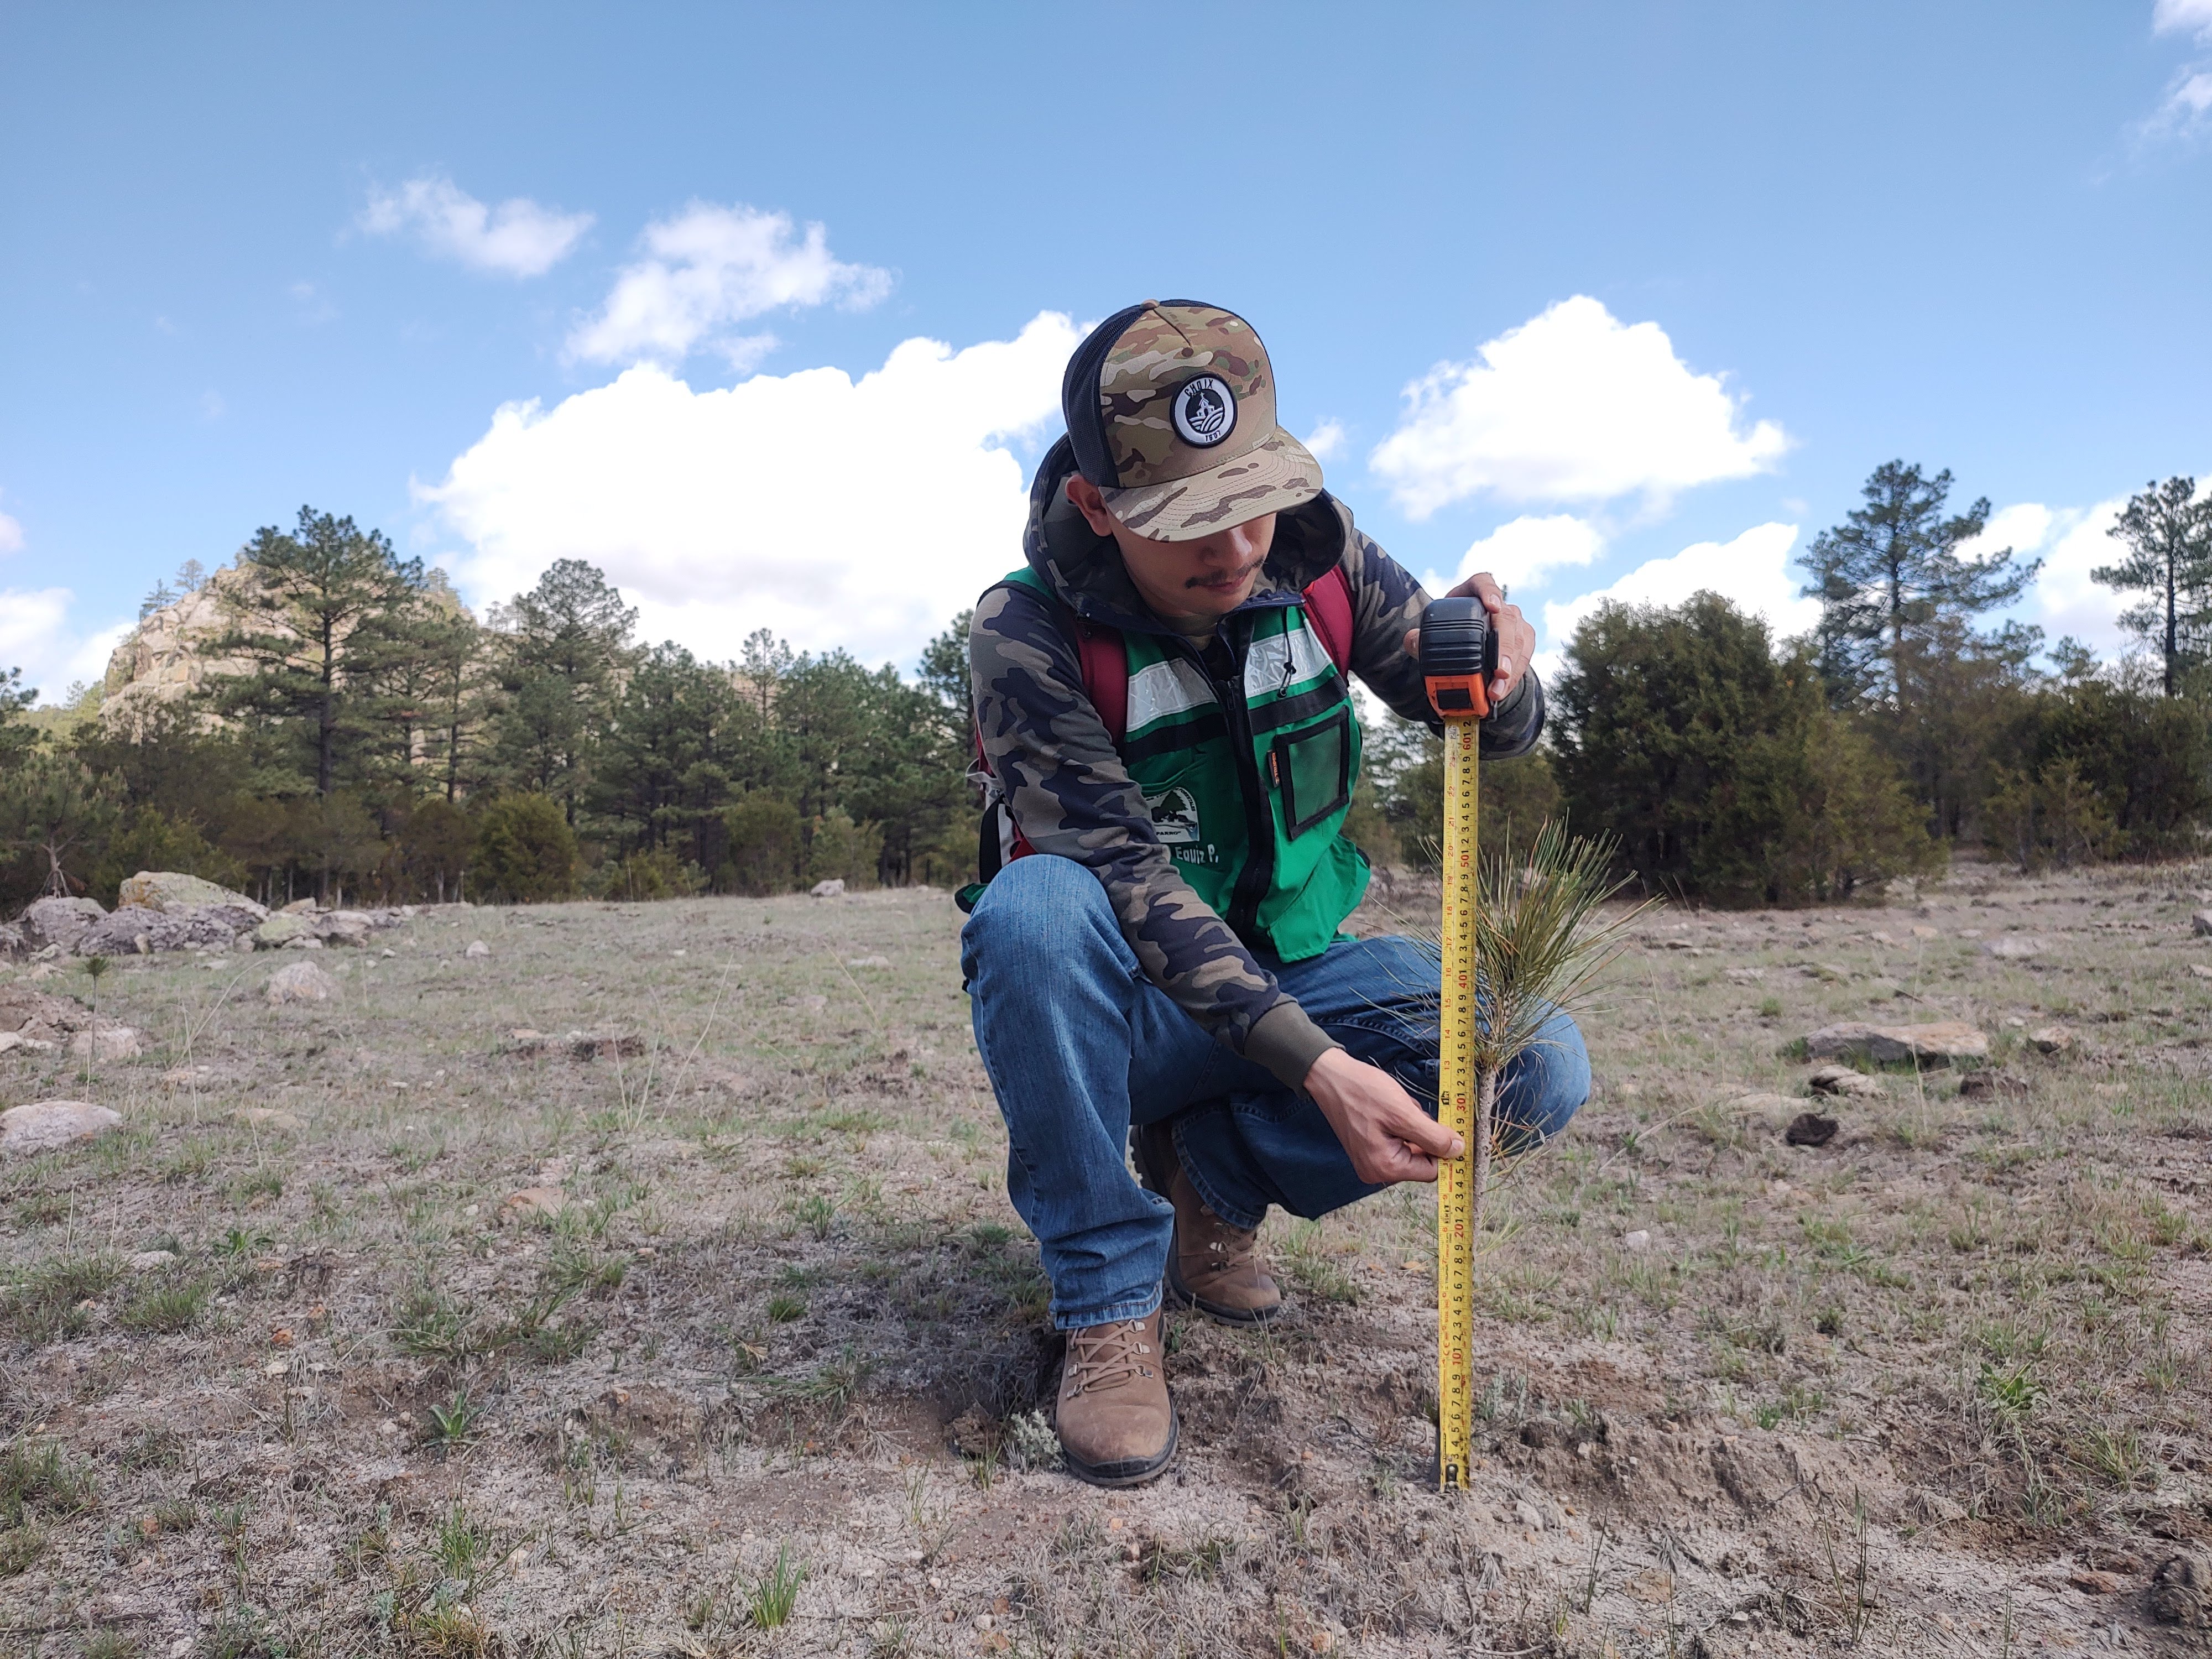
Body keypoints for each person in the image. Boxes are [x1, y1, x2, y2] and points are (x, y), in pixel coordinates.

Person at [962, 300, 1589, 1488]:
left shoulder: (1321, 551)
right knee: (1033, 912)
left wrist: (1502, 675)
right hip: (1132, 1018)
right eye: (1189, 521)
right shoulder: (1024, 631)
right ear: (1097, 506)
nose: (1239, 545)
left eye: (1251, 496)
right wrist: (1318, 1068)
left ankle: (1219, 1177)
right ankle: (1105, 1305)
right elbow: (1123, 879)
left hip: (1300, 967)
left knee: (1535, 1061)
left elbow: (1476, 718)